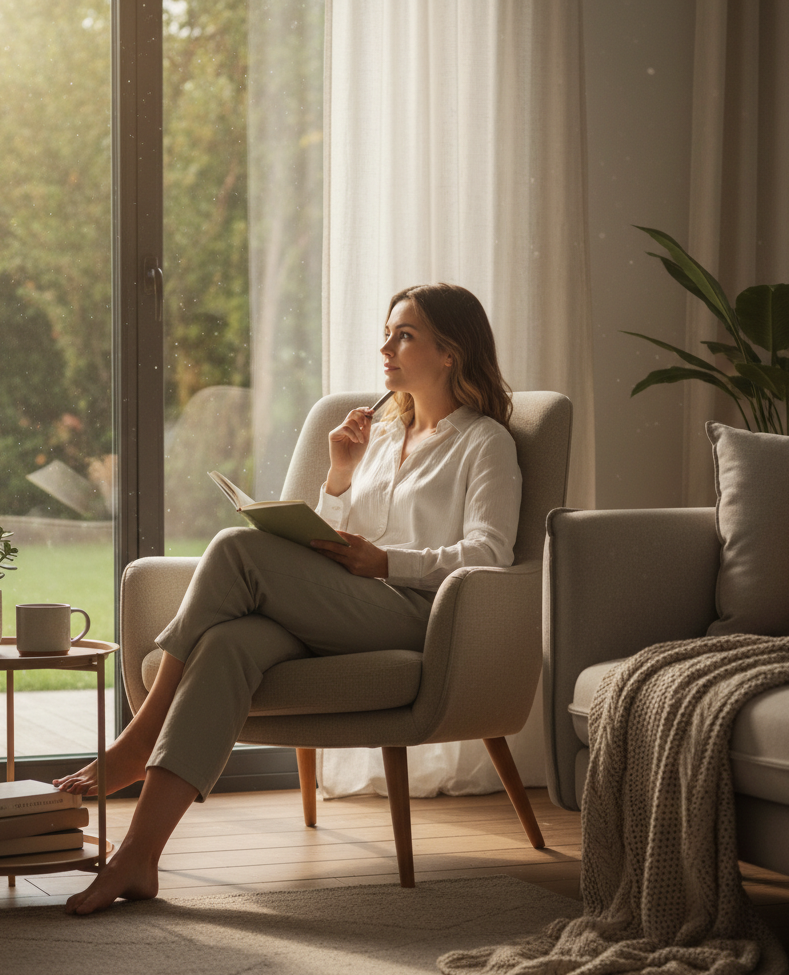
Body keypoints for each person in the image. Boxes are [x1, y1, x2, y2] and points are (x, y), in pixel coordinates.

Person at [55, 282, 522, 914]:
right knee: (224, 645)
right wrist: (338, 473)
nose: (385, 345)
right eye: (387, 330)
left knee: (233, 548)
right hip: (343, 605)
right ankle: (139, 859)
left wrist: (388, 561)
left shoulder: (484, 442)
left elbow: (490, 554)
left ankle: (139, 738)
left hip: (418, 616)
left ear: (450, 352)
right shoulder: (381, 436)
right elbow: (338, 536)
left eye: (404, 334)